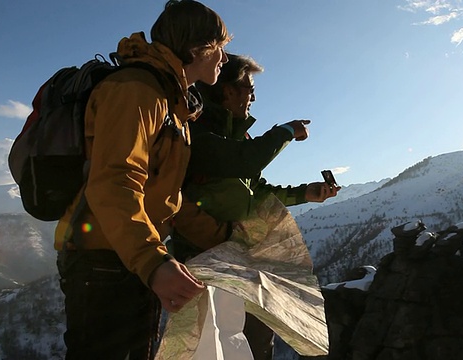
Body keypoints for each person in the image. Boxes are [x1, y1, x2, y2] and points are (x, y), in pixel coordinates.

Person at [53, 1, 231, 359]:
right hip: (104, 261)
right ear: (198, 49)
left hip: (130, 256)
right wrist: (153, 262)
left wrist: (225, 237)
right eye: (220, 48)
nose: (224, 59)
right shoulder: (136, 91)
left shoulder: (173, 104)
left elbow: (166, 200)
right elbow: (114, 182)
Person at [168, 53, 340, 360]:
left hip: (242, 259)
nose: (254, 96)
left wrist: (306, 193)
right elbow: (246, 159)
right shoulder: (198, 133)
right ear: (228, 90)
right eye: (249, 86)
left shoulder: (237, 136)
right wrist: (287, 131)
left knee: (256, 342)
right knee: (211, 347)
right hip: (203, 260)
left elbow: (256, 192)